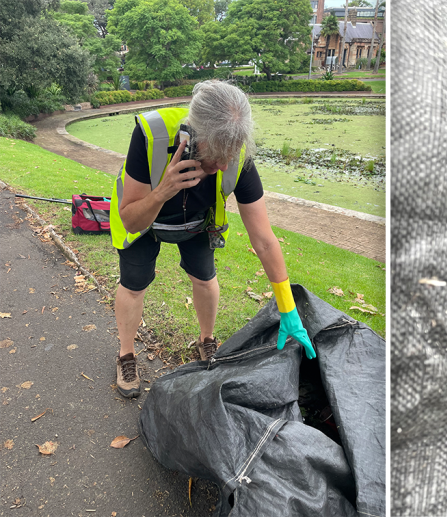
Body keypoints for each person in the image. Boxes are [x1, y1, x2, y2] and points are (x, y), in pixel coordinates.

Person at [108, 80, 314, 398]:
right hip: (144, 220)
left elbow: (263, 238)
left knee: (205, 279)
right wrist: (165, 189)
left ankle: (206, 341)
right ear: (192, 138)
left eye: (229, 157)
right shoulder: (152, 133)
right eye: (216, 155)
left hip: (198, 222)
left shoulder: (234, 152)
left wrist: (287, 308)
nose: (222, 166)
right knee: (134, 284)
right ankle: (126, 355)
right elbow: (132, 219)